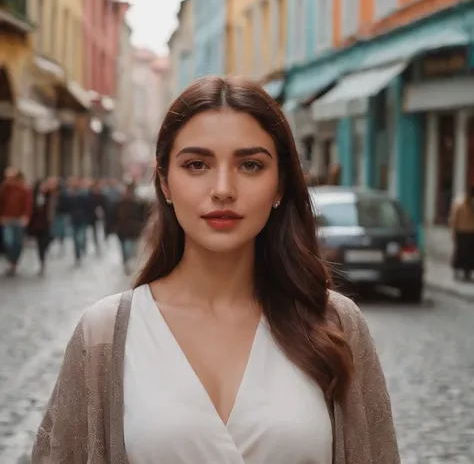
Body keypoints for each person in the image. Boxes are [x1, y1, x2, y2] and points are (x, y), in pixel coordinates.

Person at [32, 76, 400, 464]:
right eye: (197, 164)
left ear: (279, 186)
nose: (223, 188)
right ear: (165, 182)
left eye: (251, 165)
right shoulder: (104, 335)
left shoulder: (337, 326)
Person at [0, 169, 32, 276]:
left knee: (17, 242)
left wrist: (26, 217)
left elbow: (28, 204)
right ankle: (11, 260)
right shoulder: (4, 189)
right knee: (7, 241)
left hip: (19, 219)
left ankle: (14, 263)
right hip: (7, 219)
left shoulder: (23, 189)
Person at [115, 183, 147, 273]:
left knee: (131, 249)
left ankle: (129, 264)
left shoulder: (138, 204)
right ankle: (126, 263)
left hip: (134, 231)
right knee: (125, 249)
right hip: (122, 231)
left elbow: (143, 216)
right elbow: (113, 216)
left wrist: (141, 225)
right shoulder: (119, 203)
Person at [28, 180, 54, 276]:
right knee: (40, 244)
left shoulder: (50, 196)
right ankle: (42, 260)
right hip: (38, 225)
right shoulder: (34, 196)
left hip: (47, 224)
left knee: (46, 241)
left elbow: (53, 209)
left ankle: (43, 257)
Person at [449, 185, 474, 282]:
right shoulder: (459, 203)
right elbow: (454, 218)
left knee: (470, 255)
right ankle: (456, 271)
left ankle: (467, 273)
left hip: (471, 232)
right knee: (460, 253)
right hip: (461, 232)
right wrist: (453, 232)